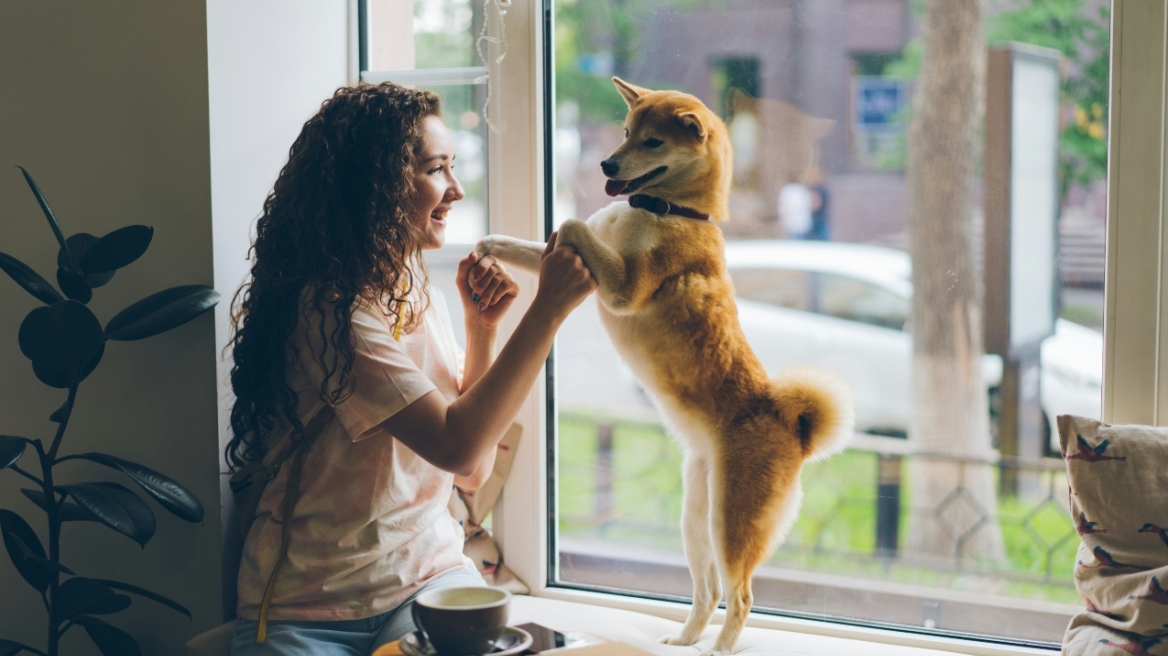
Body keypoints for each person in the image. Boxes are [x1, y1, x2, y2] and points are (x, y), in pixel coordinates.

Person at [225, 83, 596, 655]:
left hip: (427, 580)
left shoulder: (415, 293)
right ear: (375, 185)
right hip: (306, 605)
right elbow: (458, 448)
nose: (457, 189)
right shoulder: (329, 312)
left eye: (452, 167)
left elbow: (471, 473)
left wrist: (482, 328)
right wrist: (546, 310)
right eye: (436, 169)